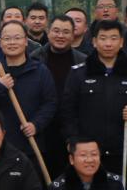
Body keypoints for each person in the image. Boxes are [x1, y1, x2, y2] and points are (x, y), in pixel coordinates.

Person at [60, 19, 127, 179]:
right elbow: (68, 112)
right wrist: (72, 140)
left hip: (121, 151)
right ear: (94, 41)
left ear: (121, 42)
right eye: (103, 38)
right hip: (88, 153)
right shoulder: (78, 74)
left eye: (113, 38)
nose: (108, 44)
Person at [0, 20, 56, 160]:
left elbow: (50, 103)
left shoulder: (40, 70)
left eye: (17, 38)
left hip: (31, 144)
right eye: (7, 38)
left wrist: (36, 124)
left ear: (26, 41)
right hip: (0, 146)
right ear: (1, 43)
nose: (12, 42)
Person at [31, 15, 88, 177]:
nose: (60, 36)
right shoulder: (35, 58)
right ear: (48, 32)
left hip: (72, 127)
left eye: (66, 32)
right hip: (42, 127)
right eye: (56, 31)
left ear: (73, 35)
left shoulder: (83, 61)